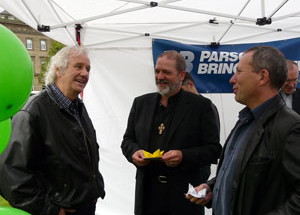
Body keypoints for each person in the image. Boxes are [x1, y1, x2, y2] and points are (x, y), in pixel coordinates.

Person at [186, 46, 300, 215]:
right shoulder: (246, 120)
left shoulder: (290, 127)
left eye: (239, 72)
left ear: (262, 77)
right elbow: (242, 172)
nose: (232, 79)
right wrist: (213, 187)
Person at [0, 46, 105, 215]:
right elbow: (12, 175)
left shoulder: (77, 107)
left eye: (88, 69)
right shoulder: (33, 112)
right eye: (78, 67)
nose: (85, 73)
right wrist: (50, 210)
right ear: (58, 69)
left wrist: (96, 187)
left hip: (85, 207)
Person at [121, 50, 222, 215]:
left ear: (181, 76)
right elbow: (128, 140)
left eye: (166, 72)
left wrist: (184, 156)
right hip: (147, 195)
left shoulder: (201, 106)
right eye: (157, 71)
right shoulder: (141, 103)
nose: (160, 76)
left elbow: (213, 150)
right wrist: (134, 152)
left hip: (183, 197)